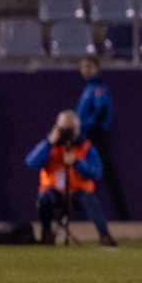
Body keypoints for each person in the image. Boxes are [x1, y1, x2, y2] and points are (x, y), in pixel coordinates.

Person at [26, 109, 116, 246]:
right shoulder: (49, 145)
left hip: (77, 193)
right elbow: (31, 163)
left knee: (90, 201)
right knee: (44, 199)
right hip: (53, 192)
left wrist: (77, 163)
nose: (67, 133)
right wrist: (50, 143)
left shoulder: (85, 147)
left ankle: (105, 236)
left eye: (71, 129)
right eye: (64, 129)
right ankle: (46, 234)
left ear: (78, 129)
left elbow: (97, 173)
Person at [76, 56, 129, 221]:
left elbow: (101, 112)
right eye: (83, 66)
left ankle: (123, 215)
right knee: (82, 174)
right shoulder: (88, 88)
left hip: (96, 135)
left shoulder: (98, 88)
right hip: (87, 135)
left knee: (107, 174)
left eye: (89, 66)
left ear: (97, 68)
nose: (86, 69)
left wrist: (85, 126)